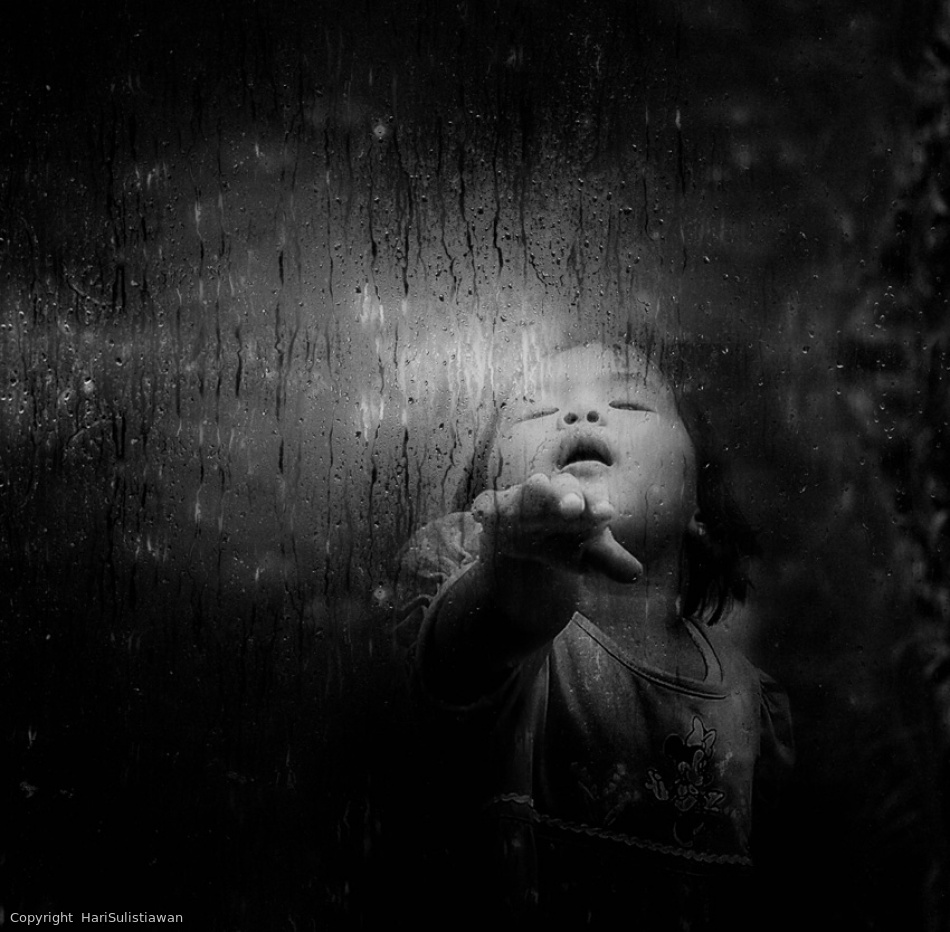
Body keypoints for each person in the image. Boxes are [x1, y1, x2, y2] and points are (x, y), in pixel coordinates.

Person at [394, 341, 793, 930]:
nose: (579, 414)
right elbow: (458, 653)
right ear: (487, 496)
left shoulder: (754, 707)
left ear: (700, 504)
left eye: (630, 403)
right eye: (534, 410)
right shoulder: (477, 587)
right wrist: (512, 580)